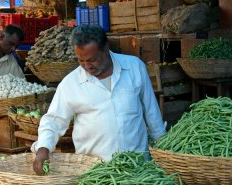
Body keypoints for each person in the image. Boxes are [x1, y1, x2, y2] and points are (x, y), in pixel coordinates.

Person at [32, 24, 166, 174]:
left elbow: (151, 111)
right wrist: (43, 149)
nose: (87, 66)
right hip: (94, 171)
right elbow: (53, 121)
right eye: (81, 61)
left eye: (92, 59)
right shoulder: (71, 84)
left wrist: (163, 148)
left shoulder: (134, 67)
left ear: (106, 48)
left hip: (138, 167)